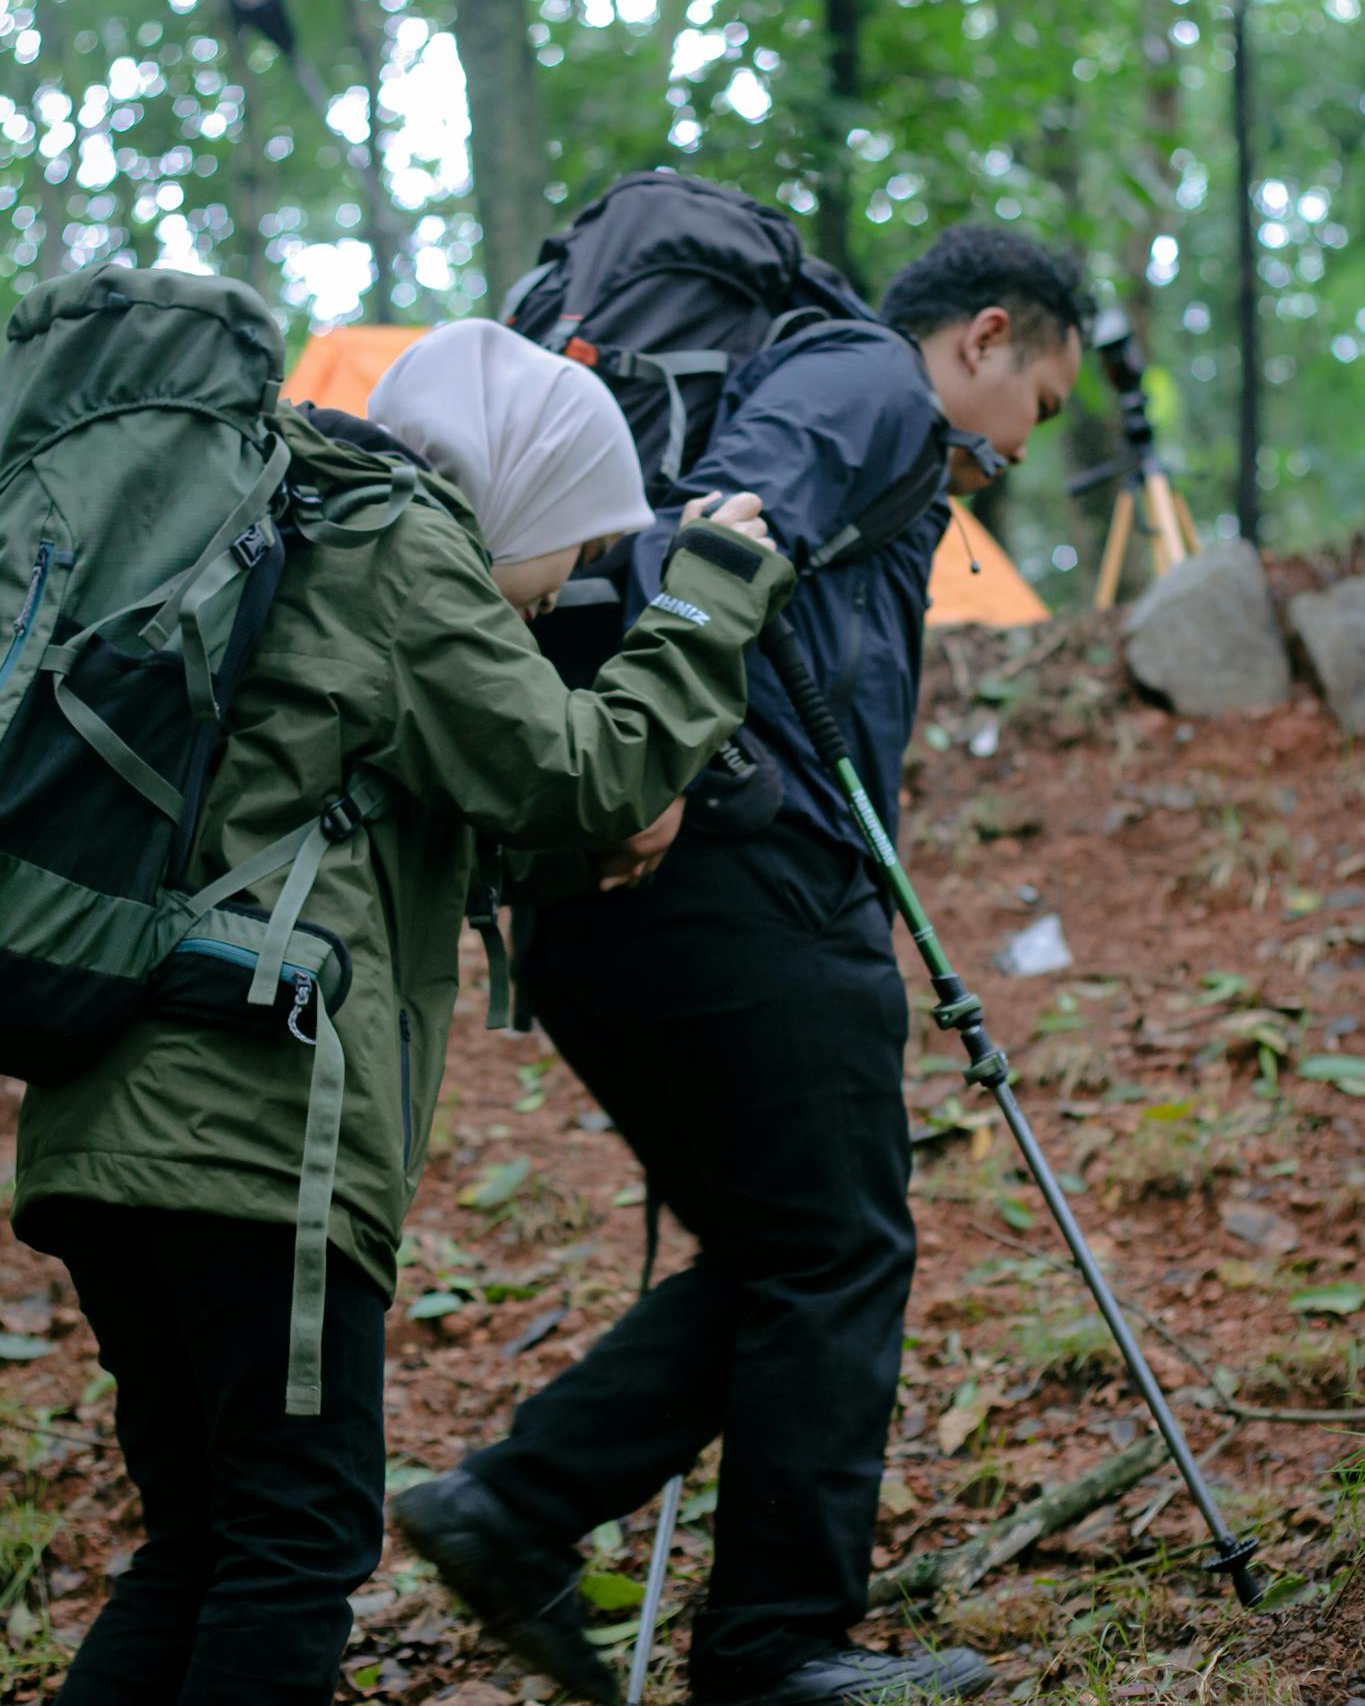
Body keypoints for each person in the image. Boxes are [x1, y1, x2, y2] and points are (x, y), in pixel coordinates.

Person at [9, 316, 792, 1706]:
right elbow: (585, 774)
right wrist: (709, 596)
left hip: (112, 1111)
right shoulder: (400, 542)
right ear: (521, 493)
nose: (563, 589)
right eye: (575, 546)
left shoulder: (297, 529)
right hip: (251, 1131)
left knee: (202, 1540)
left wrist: (560, 856)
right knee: (294, 1542)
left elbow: (344, 810)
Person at [391, 227, 1088, 1706]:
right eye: (1035, 406)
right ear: (984, 338)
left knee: (785, 1255)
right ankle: (770, 1646)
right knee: (837, 1252)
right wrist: (675, 775)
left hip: (608, 902)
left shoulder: (804, 386)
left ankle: (511, 1512)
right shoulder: (868, 382)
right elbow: (713, 535)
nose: (1019, 449)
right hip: (743, 878)